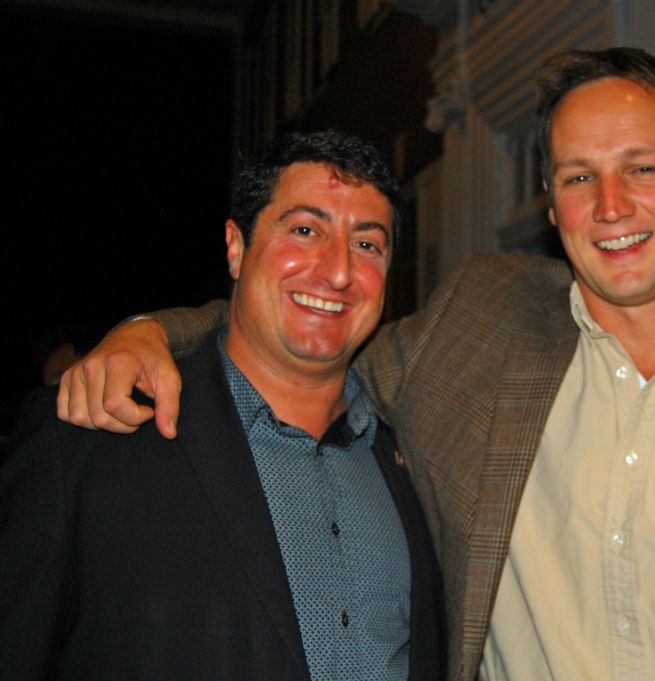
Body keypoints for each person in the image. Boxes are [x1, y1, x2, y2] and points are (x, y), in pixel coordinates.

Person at [56, 48, 655, 680]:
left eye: (642, 168)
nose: (610, 206)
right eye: (578, 176)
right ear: (549, 199)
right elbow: (305, 337)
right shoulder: (481, 323)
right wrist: (150, 330)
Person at [1, 131, 445, 680]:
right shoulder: (88, 435)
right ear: (236, 246)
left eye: (368, 245)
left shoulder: (407, 456)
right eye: (305, 230)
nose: (338, 272)